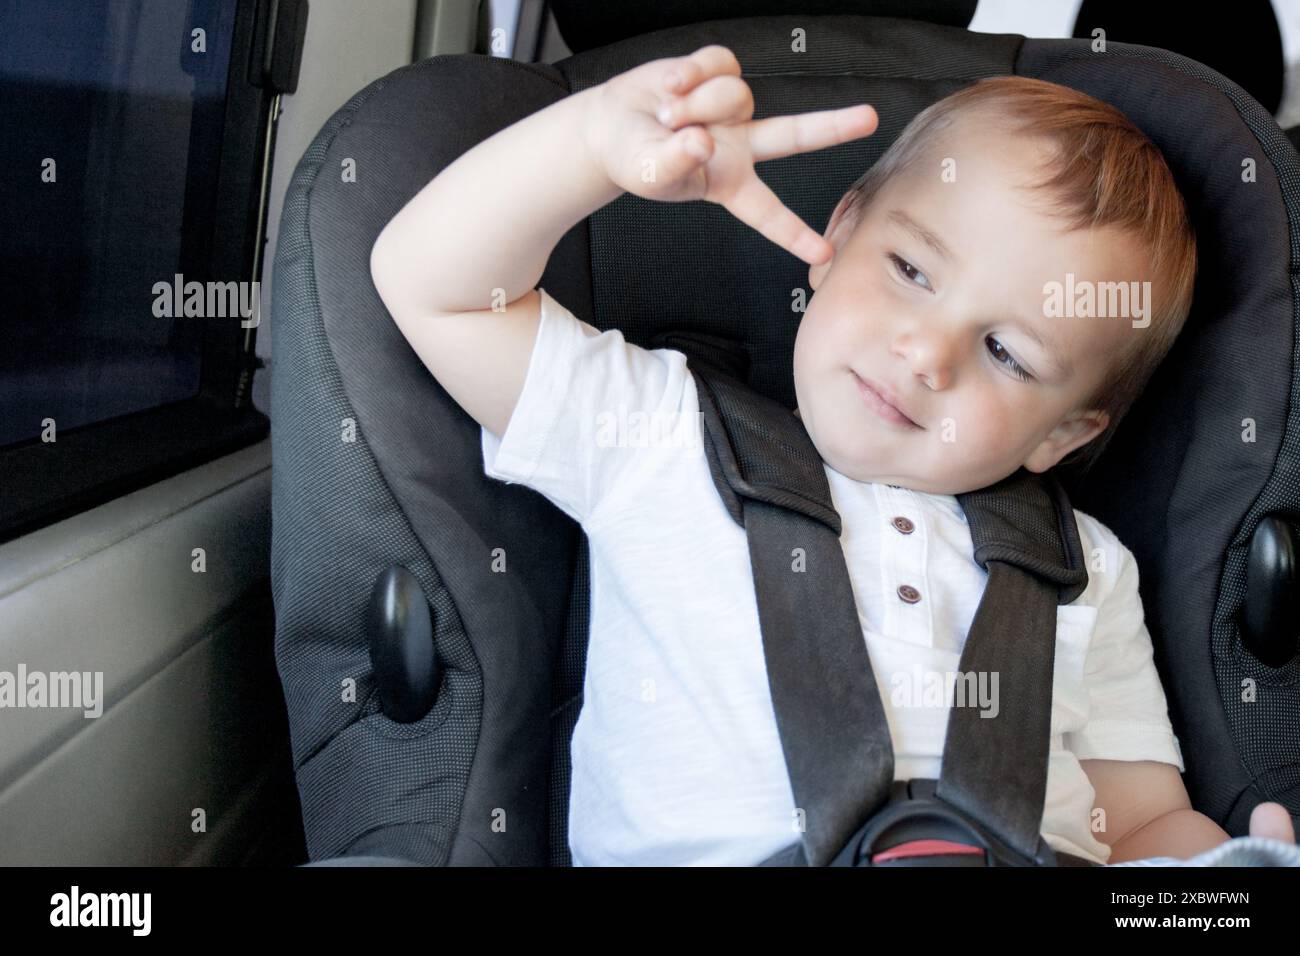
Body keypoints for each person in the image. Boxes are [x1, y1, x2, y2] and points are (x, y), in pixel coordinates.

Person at [370, 44, 1296, 865]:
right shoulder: (654, 433)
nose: (925, 355)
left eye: (1007, 353)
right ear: (840, 233)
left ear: (1063, 433)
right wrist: (594, 148)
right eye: (911, 271)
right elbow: (436, 289)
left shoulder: (1087, 568)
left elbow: (1139, 827)